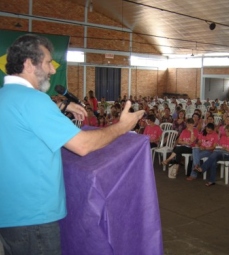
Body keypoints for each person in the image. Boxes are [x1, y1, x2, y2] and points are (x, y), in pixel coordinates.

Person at [0, 34, 144, 255]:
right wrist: (122, 126)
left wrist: (59, 108)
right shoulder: (34, 100)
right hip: (34, 216)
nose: (52, 70)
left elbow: (22, 129)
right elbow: (82, 145)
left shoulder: (6, 97)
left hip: (10, 213)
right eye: (48, 62)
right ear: (29, 64)